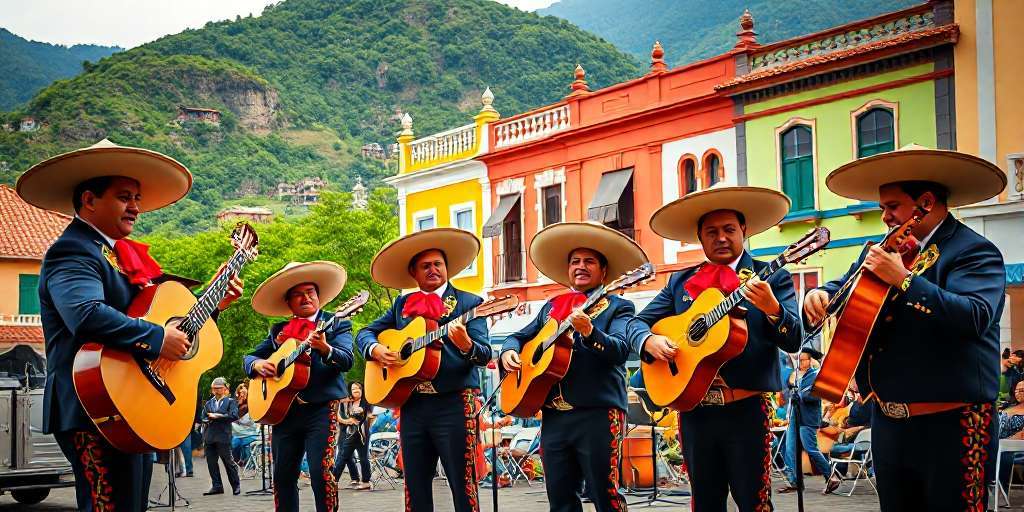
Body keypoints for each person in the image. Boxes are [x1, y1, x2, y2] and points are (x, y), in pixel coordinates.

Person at [22, 139, 242, 511]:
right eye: (125, 196)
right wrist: (158, 338)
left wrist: (212, 306)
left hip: (129, 401)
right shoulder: (73, 250)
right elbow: (87, 314)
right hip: (93, 405)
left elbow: (152, 318)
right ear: (90, 200)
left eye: (137, 198)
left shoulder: (117, 256)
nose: (136, 207)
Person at [803, 144, 1007, 511]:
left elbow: (975, 316)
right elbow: (845, 283)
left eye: (892, 206)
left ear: (926, 202)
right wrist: (820, 292)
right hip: (889, 424)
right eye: (882, 208)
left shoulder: (974, 250)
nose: (884, 217)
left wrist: (904, 280)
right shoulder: (889, 249)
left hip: (953, 422)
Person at [628, 186, 802, 512]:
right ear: (700, 237)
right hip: (694, 411)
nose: (721, 238)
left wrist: (773, 309)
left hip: (745, 411)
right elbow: (635, 324)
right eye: (712, 232)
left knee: (754, 503)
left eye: (729, 230)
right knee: (705, 503)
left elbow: (794, 339)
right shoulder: (681, 282)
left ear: (744, 231)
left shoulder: (772, 276)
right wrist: (648, 341)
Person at [500, 221, 647, 511]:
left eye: (589, 261)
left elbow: (619, 351)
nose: (581, 266)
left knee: (606, 496)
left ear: (604, 272)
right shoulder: (552, 306)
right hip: (554, 418)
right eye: (575, 261)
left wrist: (591, 332)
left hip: (597, 414)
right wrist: (508, 351)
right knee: (560, 499)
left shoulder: (618, 306)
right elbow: (518, 336)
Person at [357, 228, 491, 512]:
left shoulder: (471, 304)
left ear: (447, 268)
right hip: (412, 403)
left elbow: (484, 354)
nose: (432, 270)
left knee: (462, 483)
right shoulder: (402, 305)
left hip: (454, 402)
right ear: (414, 274)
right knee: (414, 486)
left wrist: (466, 345)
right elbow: (365, 333)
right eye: (425, 266)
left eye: (437, 264)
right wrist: (375, 349)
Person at [245, 261, 354, 512]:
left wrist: (325, 348)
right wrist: (258, 365)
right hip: (283, 411)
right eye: (298, 294)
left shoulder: (336, 323)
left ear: (318, 296)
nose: (305, 298)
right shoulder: (279, 331)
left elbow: (347, 360)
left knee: (320, 472)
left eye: (310, 292)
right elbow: (249, 357)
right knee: (282, 476)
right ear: (288, 303)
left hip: (321, 408)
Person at [778, 347, 840, 494]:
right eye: (799, 360)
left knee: (811, 448)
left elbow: (814, 395)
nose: (800, 362)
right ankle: (795, 482)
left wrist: (799, 394)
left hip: (808, 417)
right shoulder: (798, 376)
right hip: (795, 414)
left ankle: (832, 475)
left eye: (803, 359)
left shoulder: (815, 375)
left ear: (810, 360)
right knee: (790, 449)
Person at [203, 377, 241, 496]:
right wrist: (206, 419)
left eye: (219, 388)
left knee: (228, 462)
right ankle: (217, 486)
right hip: (209, 436)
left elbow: (234, 416)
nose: (216, 390)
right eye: (214, 388)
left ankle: (236, 485)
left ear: (225, 389)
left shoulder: (231, 402)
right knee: (211, 463)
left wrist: (218, 416)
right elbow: (203, 416)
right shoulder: (209, 403)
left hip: (223, 436)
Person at [333, 381, 374, 489]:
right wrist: (348, 421)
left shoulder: (365, 402)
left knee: (363, 457)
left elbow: (367, 414)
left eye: (359, 388)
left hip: (362, 434)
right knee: (343, 456)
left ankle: (366, 481)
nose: (356, 390)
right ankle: (334, 480)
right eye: (354, 388)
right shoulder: (346, 402)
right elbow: (337, 415)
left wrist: (362, 419)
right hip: (350, 433)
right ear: (350, 390)